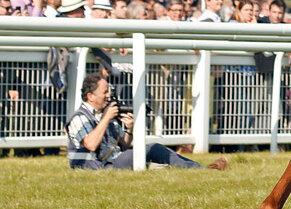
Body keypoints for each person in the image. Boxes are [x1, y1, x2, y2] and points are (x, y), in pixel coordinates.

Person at [65, 72, 227, 170]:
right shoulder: (79, 117)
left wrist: (129, 129)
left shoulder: (103, 113)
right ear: (90, 96)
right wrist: (106, 118)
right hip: (96, 167)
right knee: (152, 149)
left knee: (158, 164)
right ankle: (200, 169)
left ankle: (198, 169)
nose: (109, 95)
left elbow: (124, 146)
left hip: (111, 163)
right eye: (105, 92)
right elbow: (91, 144)